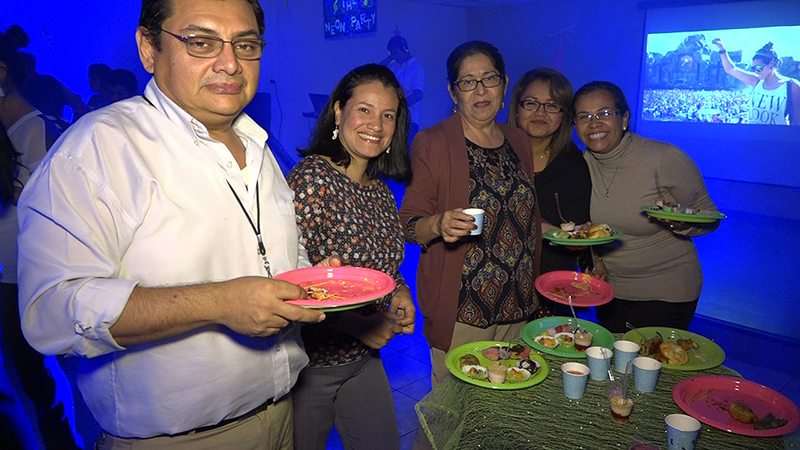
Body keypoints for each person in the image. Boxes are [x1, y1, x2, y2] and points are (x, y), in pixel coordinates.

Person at [16, 0, 337, 447]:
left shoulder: (260, 146)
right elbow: (49, 311)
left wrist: (315, 280)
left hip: (284, 416)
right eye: (201, 42)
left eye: (245, 45)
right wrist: (217, 303)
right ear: (148, 48)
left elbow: (271, 257)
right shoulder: (98, 150)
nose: (229, 63)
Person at [287, 63, 415, 450]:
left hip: (363, 361)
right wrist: (358, 326)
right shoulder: (311, 180)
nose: (376, 124)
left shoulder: (379, 191)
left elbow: (384, 268)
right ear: (339, 112)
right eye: (364, 109)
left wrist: (399, 293)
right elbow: (286, 280)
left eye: (387, 115)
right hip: (313, 365)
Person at [399, 41, 539, 387]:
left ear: (504, 85)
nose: (480, 90)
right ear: (452, 91)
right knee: (452, 417)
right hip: (463, 310)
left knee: (505, 413)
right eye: (467, 81)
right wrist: (439, 223)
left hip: (518, 305)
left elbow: (522, 217)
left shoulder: (519, 140)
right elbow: (408, 223)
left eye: (489, 79)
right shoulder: (433, 142)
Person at [574, 81, 720, 333]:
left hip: (666, 290)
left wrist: (682, 224)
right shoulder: (579, 165)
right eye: (584, 116)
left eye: (605, 113)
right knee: (618, 366)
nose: (594, 123)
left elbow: (710, 217)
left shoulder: (663, 158)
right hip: (611, 290)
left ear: (625, 118)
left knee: (652, 366)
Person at [0, 27, 82, 450]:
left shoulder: (40, 129)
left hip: (29, 270)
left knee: (49, 378)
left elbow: (55, 208)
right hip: (6, 271)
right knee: (25, 381)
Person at [507, 68, 604, 318]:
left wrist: (591, 257)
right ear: (517, 107)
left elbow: (581, 228)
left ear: (564, 114)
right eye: (531, 103)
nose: (540, 113)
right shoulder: (494, 155)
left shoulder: (573, 163)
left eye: (552, 105)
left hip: (552, 287)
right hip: (498, 283)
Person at [713, 39, 800, 125]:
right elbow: (731, 69)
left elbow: (797, 122)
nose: (756, 71)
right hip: (752, 136)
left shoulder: (791, 86)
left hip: (776, 138)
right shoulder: (756, 81)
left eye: (759, 68)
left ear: (771, 63)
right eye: (753, 68)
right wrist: (722, 49)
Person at [380, 35, 424, 138]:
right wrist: (390, 57)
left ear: (405, 49)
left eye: (397, 52)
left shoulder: (416, 68)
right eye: (392, 54)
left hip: (409, 120)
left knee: (405, 151)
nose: (395, 56)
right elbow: (379, 71)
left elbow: (417, 94)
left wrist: (399, 106)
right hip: (392, 118)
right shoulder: (393, 66)